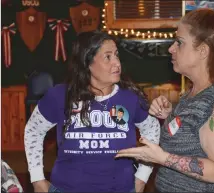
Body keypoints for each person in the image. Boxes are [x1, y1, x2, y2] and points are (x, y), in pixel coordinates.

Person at [116, 8, 214, 192]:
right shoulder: (192, 95)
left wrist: (162, 158)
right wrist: (171, 116)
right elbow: (194, 138)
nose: (171, 48)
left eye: (179, 43)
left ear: (202, 51)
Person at [24, 31, 161, 192]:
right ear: (87, 62)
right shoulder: (59, 96)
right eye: (108, 57)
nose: (117, 63)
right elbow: (33, 130)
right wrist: (37, 178)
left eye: (117, 55)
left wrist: (142, 177)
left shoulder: (130, 98)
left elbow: (152, 128)